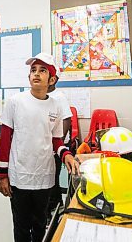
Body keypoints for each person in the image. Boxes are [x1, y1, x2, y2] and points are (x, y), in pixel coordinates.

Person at [0, 52, 79, 242]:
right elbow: (5, 140)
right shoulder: (16, 102)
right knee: (21, 226)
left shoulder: (56, 105)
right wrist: (1, 175)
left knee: (40, 222)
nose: (36, 74)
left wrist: (66, 155)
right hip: (19, 177)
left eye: (42, 70)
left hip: (44, 176)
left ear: (52, 79)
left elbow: (56, 141)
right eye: (33, 70)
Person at [47, 75, 73, 214]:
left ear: (53, 79)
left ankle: (57, 207)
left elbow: (67, 119)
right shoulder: (41, 96)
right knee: (48, 179)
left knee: (53, 178)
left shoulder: (59, 96)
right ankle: (53, 207)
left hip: (55, 146)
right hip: (44, 146)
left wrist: (59, 142)